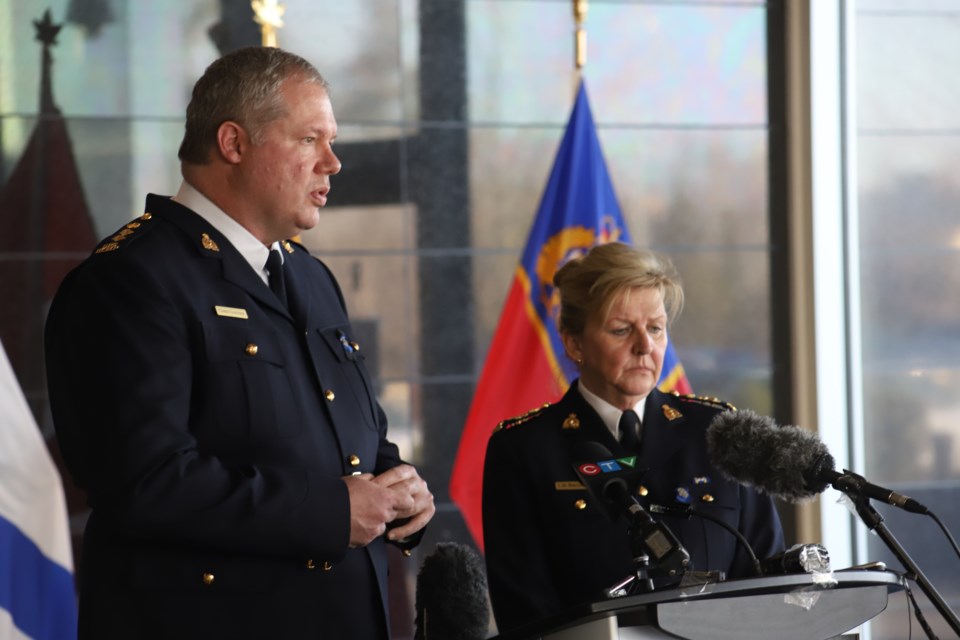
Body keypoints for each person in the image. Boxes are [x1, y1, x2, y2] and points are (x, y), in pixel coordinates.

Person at [44, 46, 434, 640]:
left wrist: (397, 485)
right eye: (310, 139)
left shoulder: (310, 277)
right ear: (233, 143)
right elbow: (145, 483)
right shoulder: (129, 279)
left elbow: (350, 439)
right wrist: (333, 512)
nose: (332, 162)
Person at [482, 242, 784, 633]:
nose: (645, 346)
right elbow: (526, 611)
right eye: (621, 330)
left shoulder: (718, 432)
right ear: (575, 343)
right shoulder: (524, 449)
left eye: (656, 328)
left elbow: (766, 577)